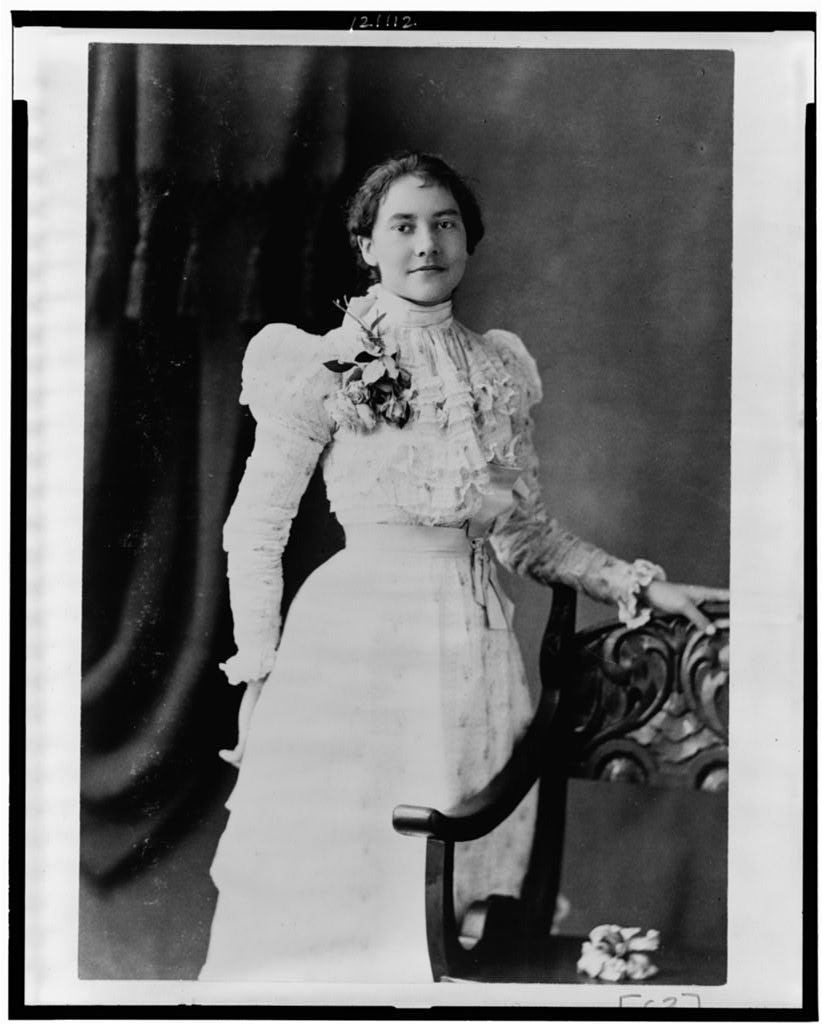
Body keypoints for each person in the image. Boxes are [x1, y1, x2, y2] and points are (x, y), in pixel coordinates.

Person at [199, 152, 726, 983]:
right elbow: (256, 527)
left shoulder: (497, 370)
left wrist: (635, 583)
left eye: (445, 224)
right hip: (350, 648)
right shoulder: (321, 365)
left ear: (468, 241)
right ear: (366, 245)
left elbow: (525, 536)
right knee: (337, 877)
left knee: (447, 879)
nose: (426, 244)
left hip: (468, 649)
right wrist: (259, 666)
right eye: (404, 226)